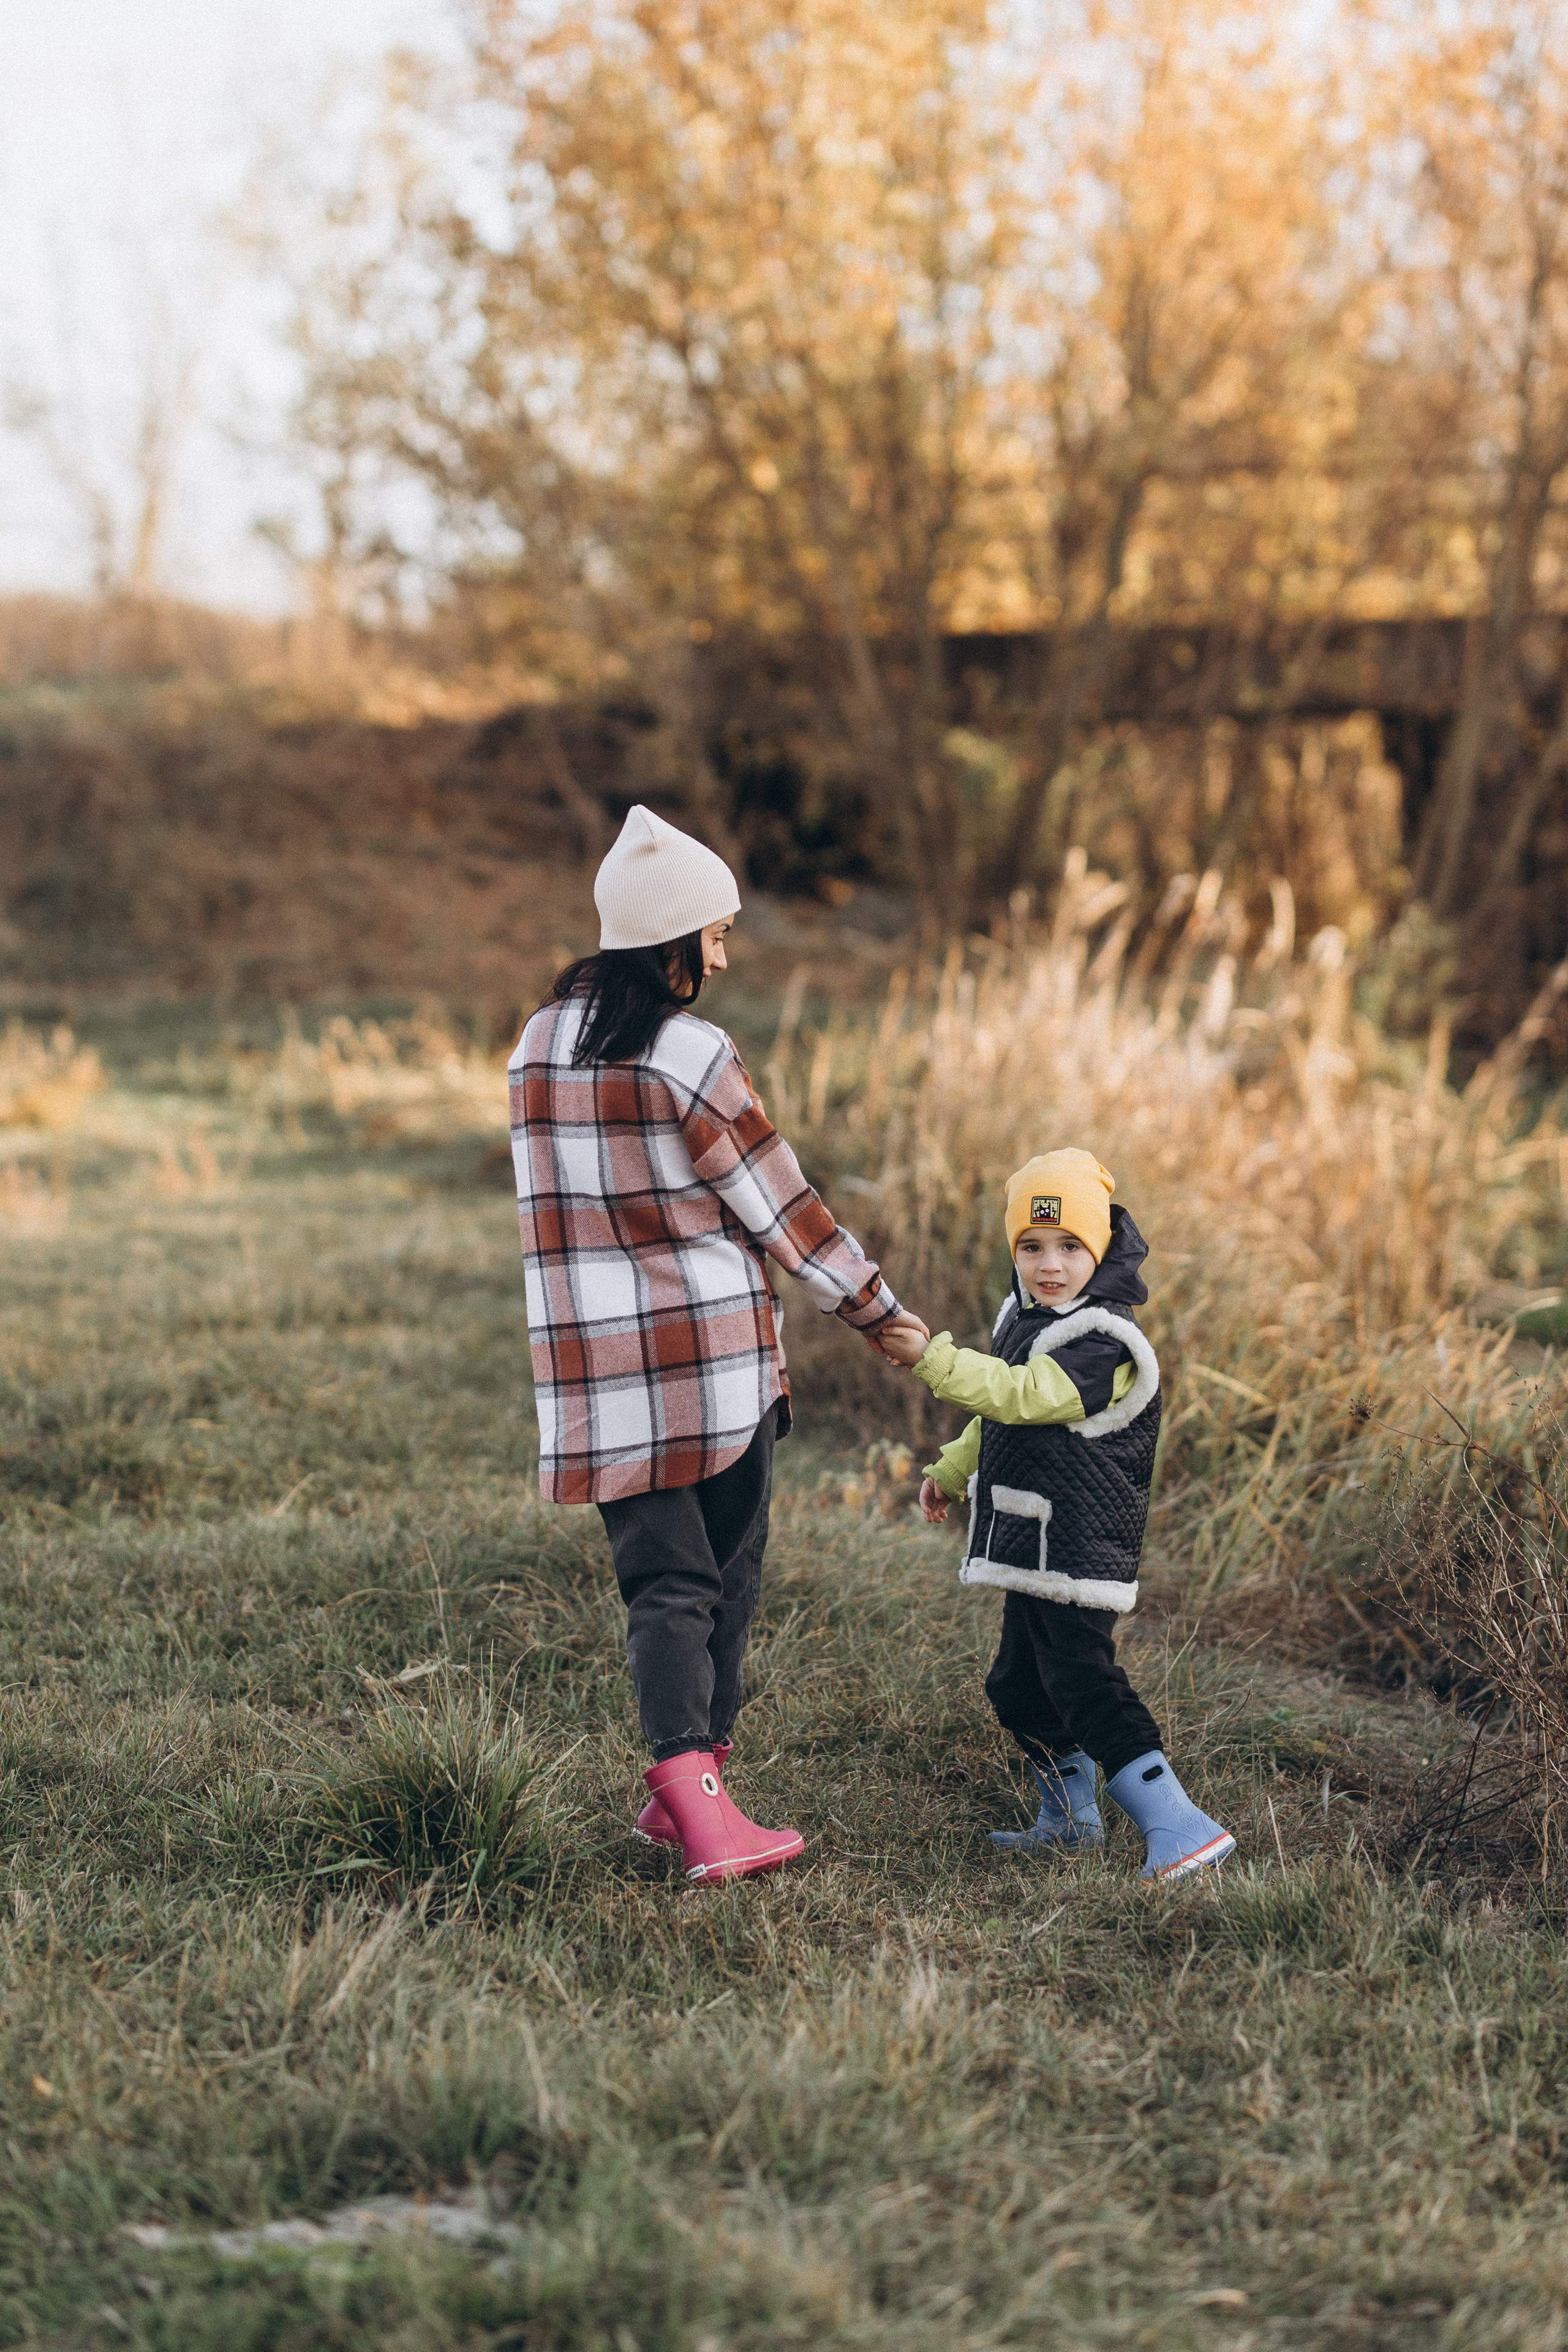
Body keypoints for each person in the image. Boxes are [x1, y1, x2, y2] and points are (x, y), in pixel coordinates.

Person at [508, 805, 927, 1884]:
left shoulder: (535, 1046)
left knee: (663, 1582)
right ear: (671, 940)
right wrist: (877, 1311)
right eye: (718, 934)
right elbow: (780, 1208)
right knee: (718, 1581)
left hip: (599, 1376)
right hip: (713, 1373)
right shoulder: (690, 1053)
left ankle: (686, 1802)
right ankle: (699, 1809)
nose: (724, 956)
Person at [878, 1149, 1236, 1882]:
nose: (1050, 1263)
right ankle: (1068, 1821)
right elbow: (1004, 1415)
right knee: (1016, 1683)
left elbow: (1023, 1394)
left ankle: (1180, 1824)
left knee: (1079, 1678)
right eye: (1031, 1246)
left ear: (1100, 1248)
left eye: (1070, 1245)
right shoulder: (1031, 1316)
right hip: (1031, 1539)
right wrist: (953, 1468)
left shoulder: (1103, 1342)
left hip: (1077, 1548)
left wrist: (933, 1361)